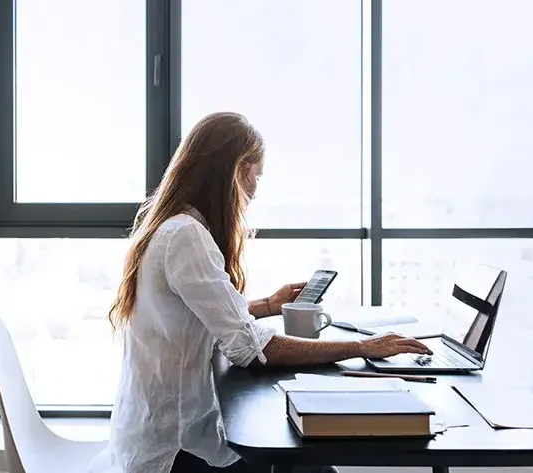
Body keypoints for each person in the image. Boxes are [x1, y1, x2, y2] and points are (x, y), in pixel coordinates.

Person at [88, 112, 432, 473]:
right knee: (309, 465)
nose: (255, 188)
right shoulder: (187, 236)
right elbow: (251, 350)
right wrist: (362, 347)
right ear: (236, 170)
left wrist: (269, 305)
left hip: (154, 432)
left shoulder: (174, 227)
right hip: (176, 450)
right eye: (256, 174)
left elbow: (199, 317)